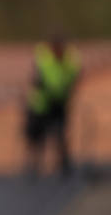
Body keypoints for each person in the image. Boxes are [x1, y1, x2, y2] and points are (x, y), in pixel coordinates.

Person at [24, 36, 81, 177]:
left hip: (58, 103)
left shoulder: (70, 61)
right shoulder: (44, 59)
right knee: (37, 136)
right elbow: (38, 78)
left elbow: (75, 76)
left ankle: (64, 165)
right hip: (42, 104)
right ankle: (35, 165)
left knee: (60, 135)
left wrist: (67, 92)